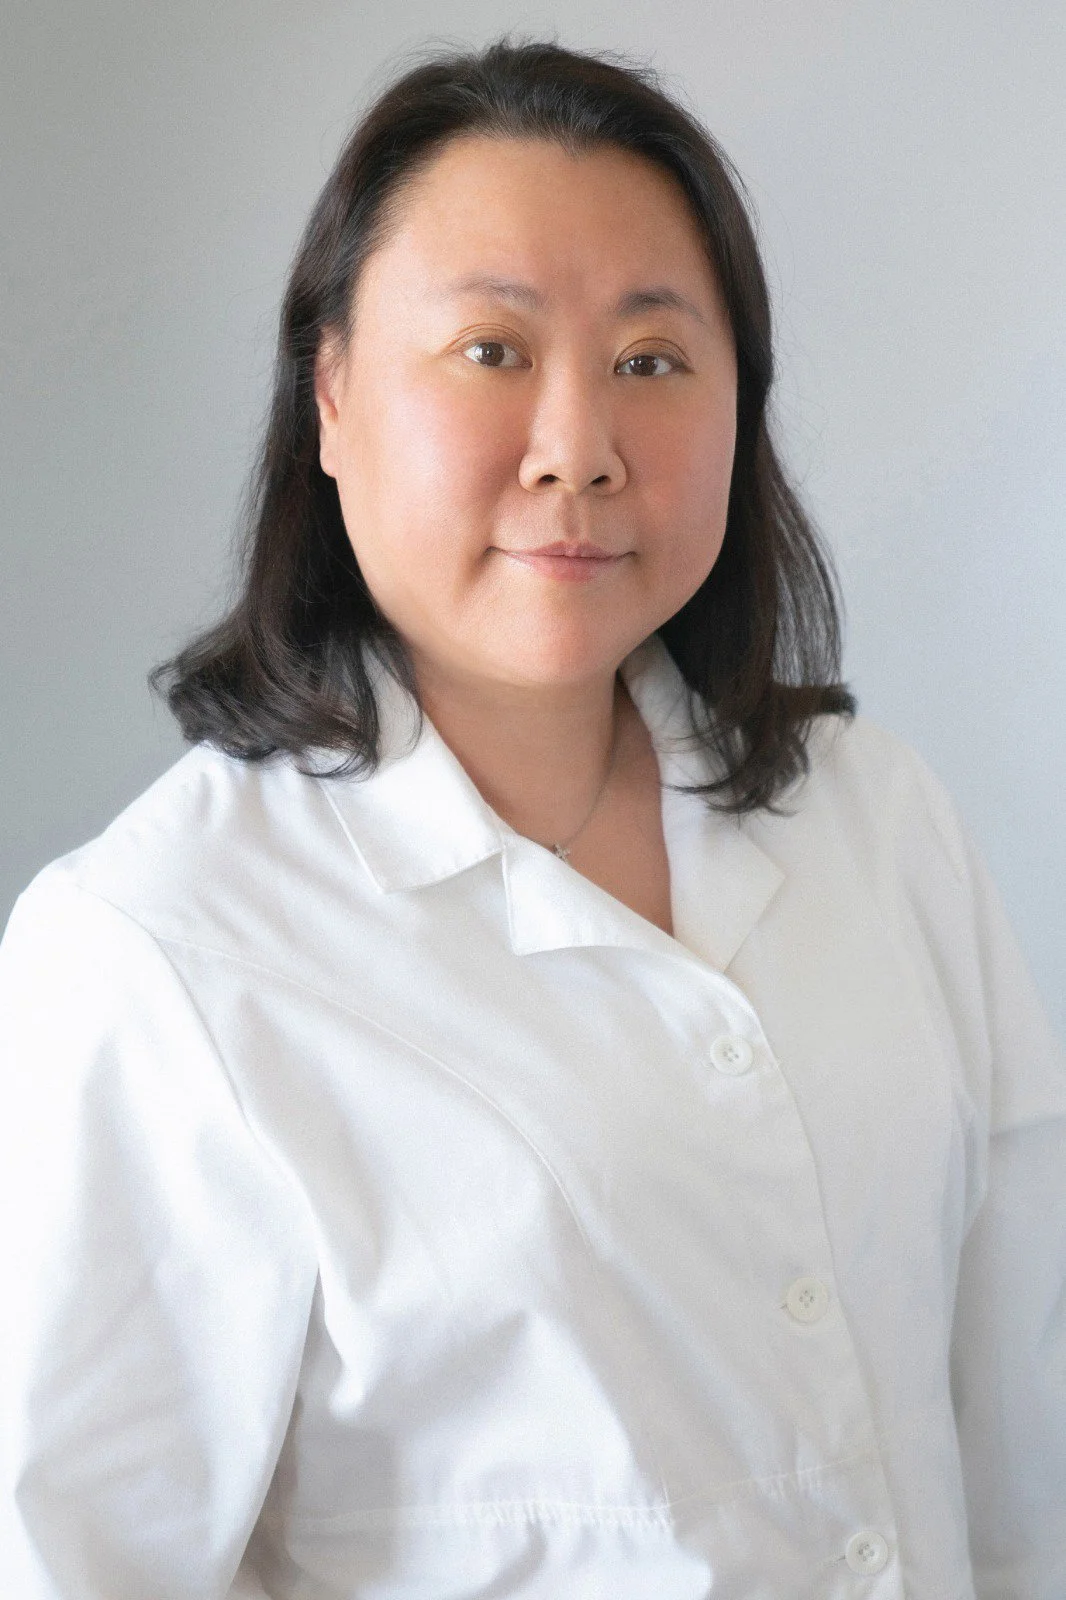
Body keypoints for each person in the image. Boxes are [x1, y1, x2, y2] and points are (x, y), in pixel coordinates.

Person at [0, 34, 1062, 1600]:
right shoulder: (154, 949)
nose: (579, 449)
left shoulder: (873, 818)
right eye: (492, 352)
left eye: (650, 360)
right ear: (336, 398)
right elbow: (82, 1562)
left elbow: (1021, 1409)